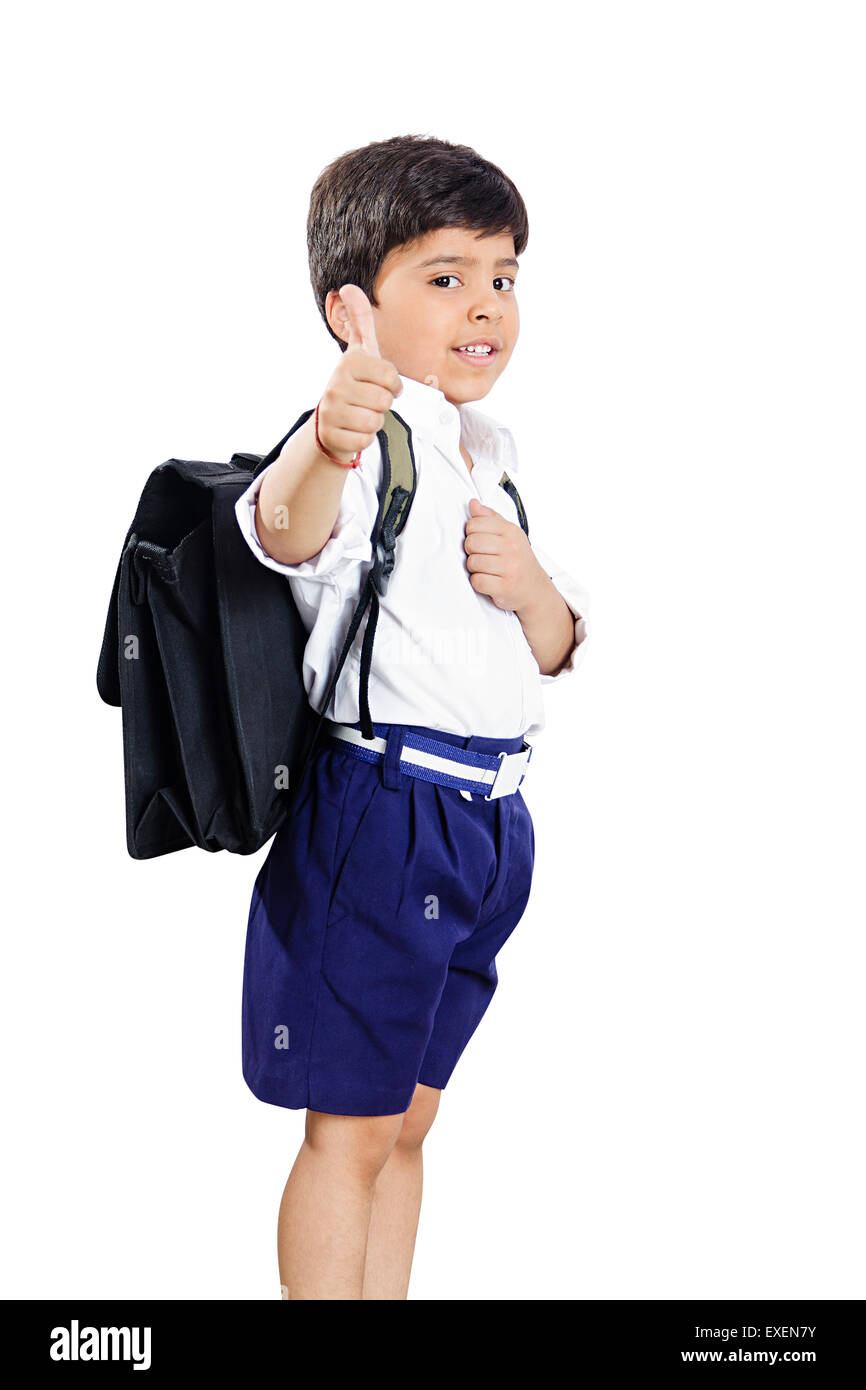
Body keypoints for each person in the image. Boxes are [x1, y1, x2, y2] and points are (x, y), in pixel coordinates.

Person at [234, 134, 590, 1300]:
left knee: (407, 1121)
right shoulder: (359, 439)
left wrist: (535, 587)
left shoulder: (491, 456)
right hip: (382, 816)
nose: (483, 305)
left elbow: (551, 650)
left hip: (488, 826)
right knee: (348, 1127)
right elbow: (279, 529)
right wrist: (325, 442)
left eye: (502, 275)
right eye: (444, 278)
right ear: (350, 308)